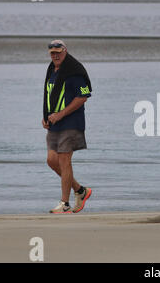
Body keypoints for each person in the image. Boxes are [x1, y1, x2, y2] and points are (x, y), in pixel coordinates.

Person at [42, 40, 92, 214]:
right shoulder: (52, 70)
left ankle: (65, 203)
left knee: (64, 161)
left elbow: (83, 96)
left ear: (65, 51)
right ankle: (80, 190)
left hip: (71, 122)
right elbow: (49, 95)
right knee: (51, 160)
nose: (55, 56)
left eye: (58, 52)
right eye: (52, 53)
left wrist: (61, 114)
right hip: (55, 123)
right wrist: (45, 116)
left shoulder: (74, 71)